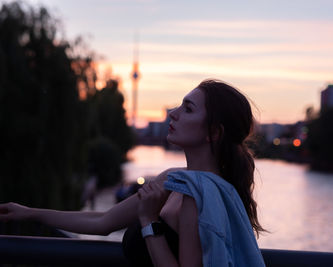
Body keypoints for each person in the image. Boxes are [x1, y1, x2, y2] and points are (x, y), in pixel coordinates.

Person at [0, 79, 266, 267]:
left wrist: (149, 221)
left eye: (188, 109)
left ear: (214, 132)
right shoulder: (173, 180)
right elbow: (102, 221)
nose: (173, 114)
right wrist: (30, 213)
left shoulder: (197, 197)